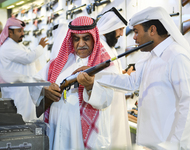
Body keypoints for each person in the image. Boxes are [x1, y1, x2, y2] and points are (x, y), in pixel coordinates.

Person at [95, 6, 190, 150]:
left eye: (136, 31)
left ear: (152, 30)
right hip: (153, 144)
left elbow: (189, 105)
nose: (134, 37)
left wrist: (175, 144)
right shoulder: (149, 57)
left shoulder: (177, 56)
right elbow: (131, 82)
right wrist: (95, 78)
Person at [30, 16, 132, 150]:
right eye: (76, 39)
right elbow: (33, 81)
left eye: (86, 38)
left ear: (94, 38)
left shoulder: (105, 65)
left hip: (83, 135)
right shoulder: (60, 62)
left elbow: (106, 100)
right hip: (57, 127)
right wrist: (45, 88)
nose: (81, 44)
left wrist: (90, 86)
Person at [0, 17, 48, 122]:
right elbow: (28, 58)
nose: (22, 33)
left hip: (23, 90)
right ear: (10, 33)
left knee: (28, 121)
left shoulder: (17, 45)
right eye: (19, 31)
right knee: (20, 121)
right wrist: (40, 46)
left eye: (22, 30)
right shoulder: (8, 47)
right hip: (16, 92)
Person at [97, 7, 132, 147]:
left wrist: (122, 73)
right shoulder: (100, 47)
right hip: (108, 104)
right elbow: (105, 78)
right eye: (120, 29)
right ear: (111, 27)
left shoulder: (108, 46)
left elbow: (110, 73)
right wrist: (127, 77)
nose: (122, 34)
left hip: (115, 102)